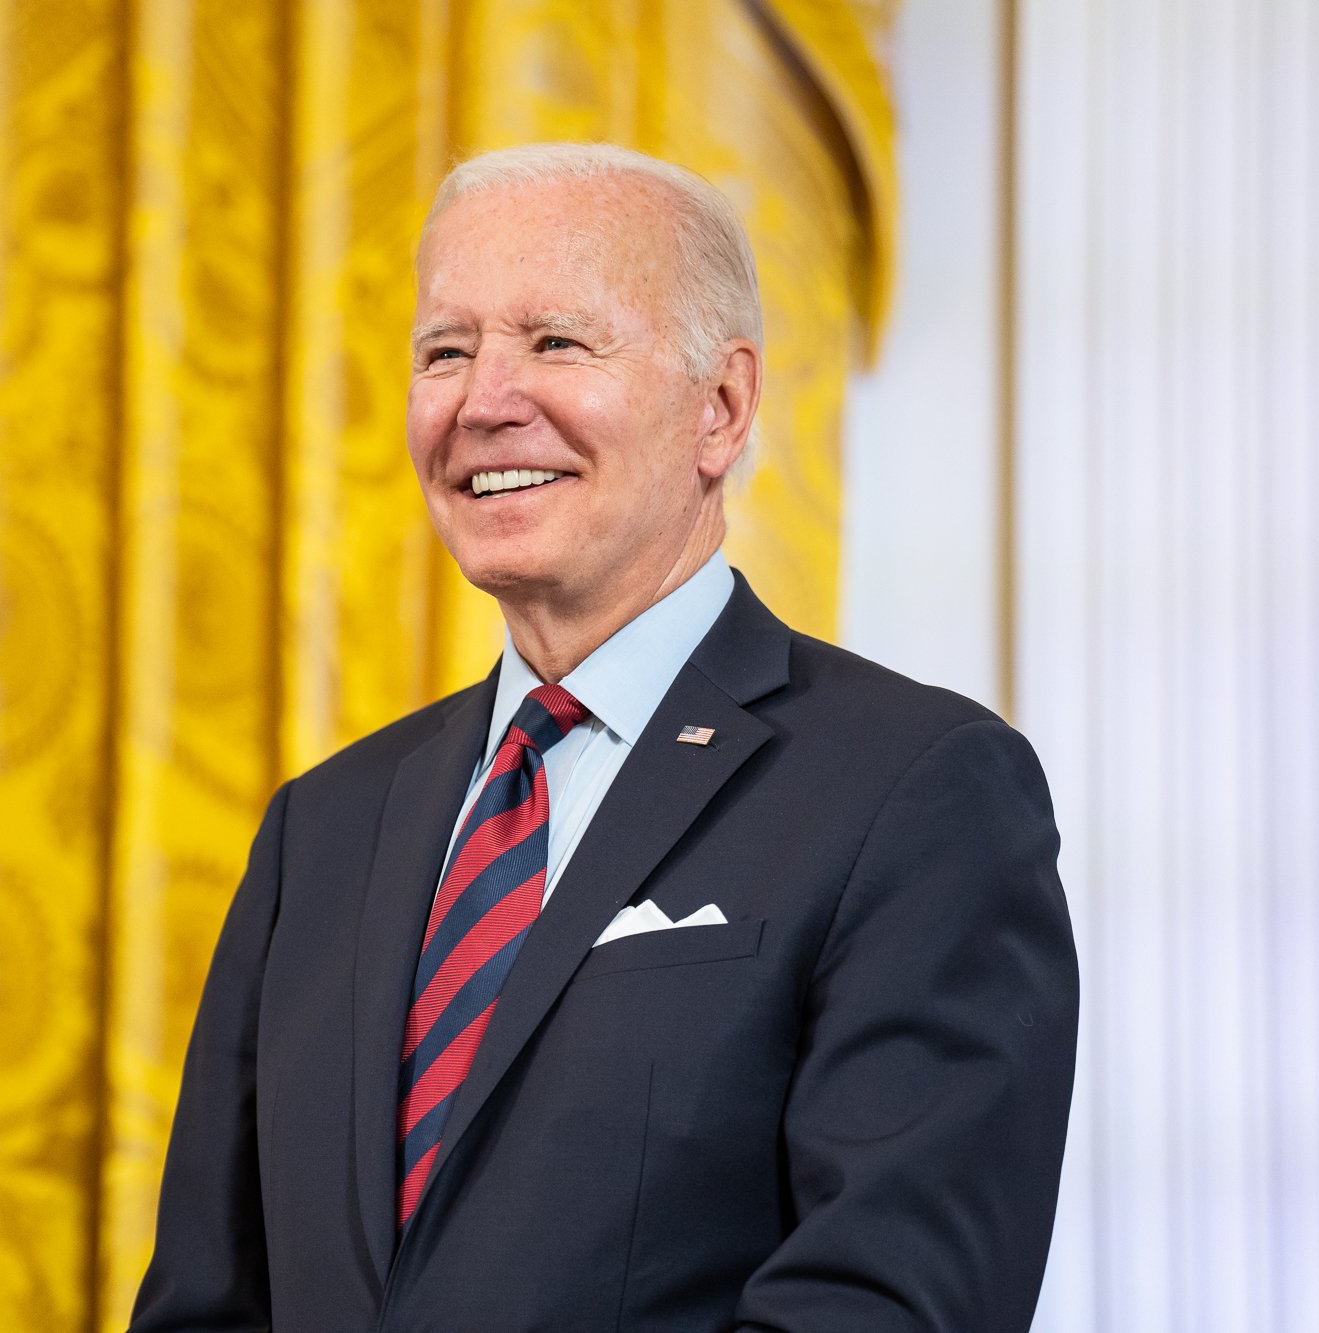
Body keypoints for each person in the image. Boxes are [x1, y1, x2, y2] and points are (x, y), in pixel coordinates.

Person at [130, 142, 1078, 1333]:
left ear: (719, 408)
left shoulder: (915, 791)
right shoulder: (319, 827)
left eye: (555, 342)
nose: (483, 401)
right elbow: (208, 1303)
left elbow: (882, 1306)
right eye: (444, 351)